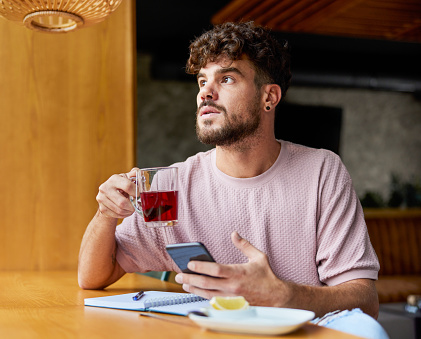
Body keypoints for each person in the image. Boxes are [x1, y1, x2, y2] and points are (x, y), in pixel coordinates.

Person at [78, 21, 388, 338]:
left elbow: (365, 300)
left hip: (303, 331)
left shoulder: (322, 170)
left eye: (226, 78)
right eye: (202, 81)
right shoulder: (170, 185)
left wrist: (283, 295)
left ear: (269, 97)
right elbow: (93, 277)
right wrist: (105, 214)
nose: (205, 93)